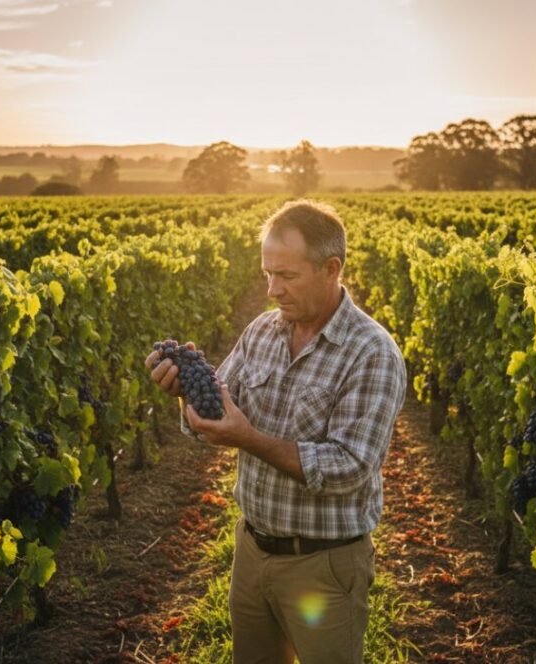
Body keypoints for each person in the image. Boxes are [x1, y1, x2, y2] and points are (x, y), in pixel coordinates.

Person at [144, 200, 406, 663]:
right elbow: (215, 418)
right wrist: (185, 395)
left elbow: (349, 468)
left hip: (323, 564)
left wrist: (249, 439)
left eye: (286, 276)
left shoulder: (372, 353)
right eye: (267, 274)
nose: (272, 290)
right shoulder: (262, 332)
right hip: (251, 552)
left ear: (331, 268)